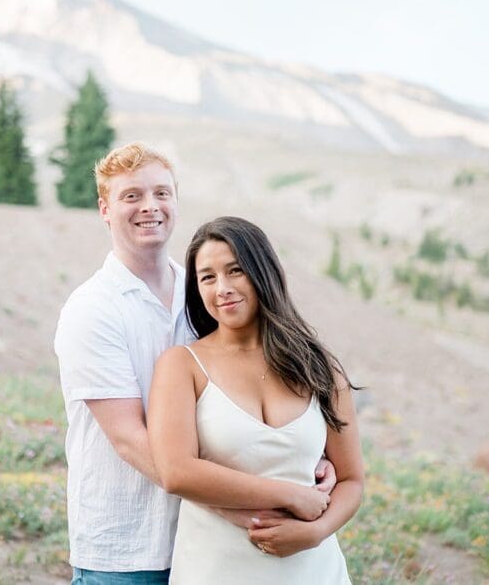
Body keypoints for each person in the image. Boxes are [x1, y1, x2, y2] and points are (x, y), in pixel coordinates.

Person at [55, 143, 335, 584]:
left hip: (209, 549)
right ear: (105, 209)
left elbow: (249, 387)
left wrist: (306, 459)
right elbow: (129, 440)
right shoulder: (92, 309)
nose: (150, 206)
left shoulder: (207, 291)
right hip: (129, 548)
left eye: (161, 193)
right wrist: (246, 508)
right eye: (132, 196)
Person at [148, 216, 364, 583]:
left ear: (263, 272)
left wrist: (315, 532)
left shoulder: (319, 367)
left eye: (235, 271)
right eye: (207, 277)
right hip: (215, 571)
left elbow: (351, 479)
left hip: (316, 571)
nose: (223, 288)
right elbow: (177, 472)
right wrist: (290, 495)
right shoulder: (182, 365)